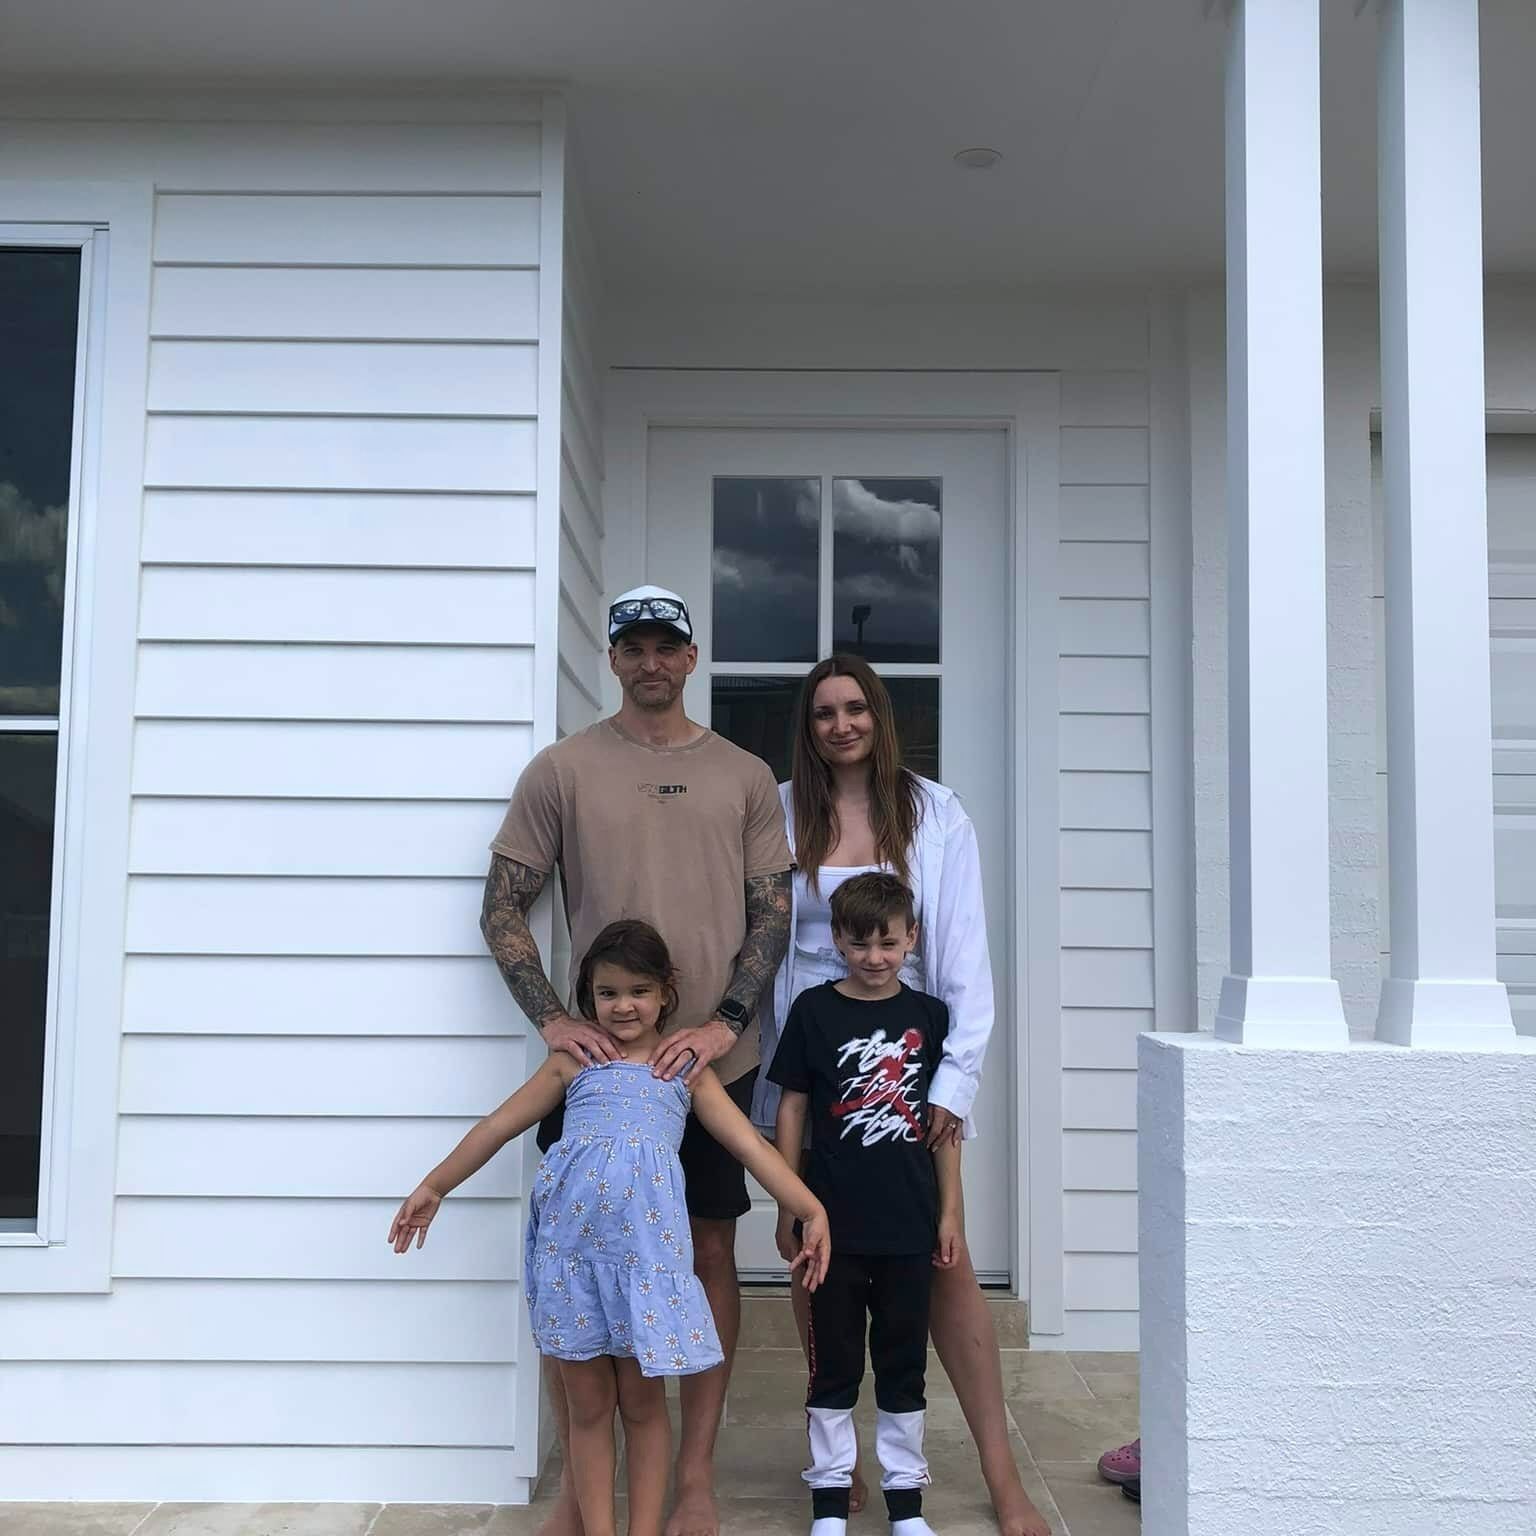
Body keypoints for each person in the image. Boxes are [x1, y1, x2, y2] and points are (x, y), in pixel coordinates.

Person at [480, 583, 792, 1536]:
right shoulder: (562, 770)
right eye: (633, 646)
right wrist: (549, 1017)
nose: (651, 660)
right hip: (601, 1082)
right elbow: (502, 906)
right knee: (571, 1262)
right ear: (613, 659)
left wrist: (726, 1021)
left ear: (690, 658)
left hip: (707, 1070)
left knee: (704, 1254)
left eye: (667, 644)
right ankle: (584, 1494)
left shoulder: (743, 775)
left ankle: (692, 1475)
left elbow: (772, 914)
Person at [389, 920, 830, 1536]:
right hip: (569, 1260)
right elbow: (496, 1126)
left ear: (665, 993)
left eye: (639, 991)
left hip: (644, 1265)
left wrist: (810, 1207)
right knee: (589, 1408)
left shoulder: (684, 1068)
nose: (624, 1006)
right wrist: (435, 1185)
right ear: (588, 997)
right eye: (607, 993)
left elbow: (751, 1151)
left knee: (645, 1407)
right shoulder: (573, 1062)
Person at [752, 653, 1051, 1536]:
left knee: (942, 1268)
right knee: (820, 1261)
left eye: (855, 709)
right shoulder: (775, 810)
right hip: (810, 1055)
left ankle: (1002, 1475)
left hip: (910, 1065)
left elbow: (963, 959)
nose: (840, 726)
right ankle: (836, 1470)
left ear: (879, 717)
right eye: (821, 714)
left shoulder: (932, 812)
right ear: (806, 728)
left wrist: (953, 1083)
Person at [771, 873, 962, 1536]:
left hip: (909, 1223)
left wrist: (950, 1214)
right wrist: (788, 1204)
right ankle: (829, 1502)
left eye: (889, 943)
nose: (876, 957)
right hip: (833, 1226)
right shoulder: (814, 1012)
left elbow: (946, 1128)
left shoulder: (932, 1019)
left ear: (912, 939)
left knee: (904, 1364)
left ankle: (906, 1505)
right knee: (836, 1364)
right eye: (861, 944)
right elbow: (792, 1107)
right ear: (838, 942)